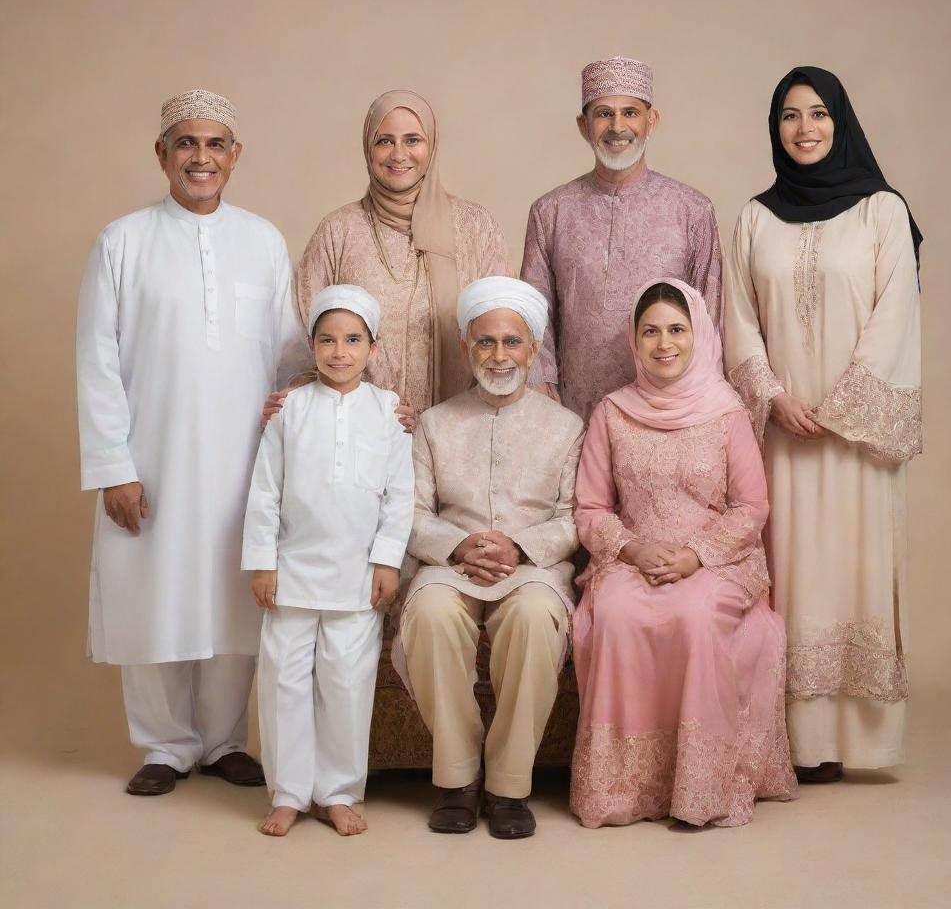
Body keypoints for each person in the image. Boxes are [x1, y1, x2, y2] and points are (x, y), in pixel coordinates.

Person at [76, 89, 306, 796]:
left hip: (243, 457)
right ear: (162, 154)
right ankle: (165, 746)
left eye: (214, 145)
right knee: (155, 590)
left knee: (235, 593)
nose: (200, 158)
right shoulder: (122, 241)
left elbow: (290, 352)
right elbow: (97, 358)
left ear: (233, 156)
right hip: (154, 454)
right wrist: (115, 464)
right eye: (186, 143)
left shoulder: (263, 239)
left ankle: (226, 741)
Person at [724, 66, 923, 782]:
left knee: (854, 567)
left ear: (840, 123)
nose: (803, 128)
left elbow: (897, 313)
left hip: (856, 440)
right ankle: (797, 741)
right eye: (788, 116)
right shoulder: (754, 217)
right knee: (793, 574)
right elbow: (737, 319)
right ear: (774, 129)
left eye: (817, 114)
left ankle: (861, 739)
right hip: (785, 433)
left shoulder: (882, 212)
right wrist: (773, 396)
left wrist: (843, 408)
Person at [571, 279, 797, 828]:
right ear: (634, 341)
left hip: (718, 560)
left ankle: (701, 788)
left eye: (677, 329)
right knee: (618, 615)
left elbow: (751, 507)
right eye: (650, 331)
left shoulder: (727, 413)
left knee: (696, 616)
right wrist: (632, 547)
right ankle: (626, 788)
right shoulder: (612, 411)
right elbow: (590, 508)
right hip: (634, 557)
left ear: (699, 336)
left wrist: (697, 553)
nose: (663, 343)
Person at [393, 277, 584, 839]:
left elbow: (578, 516)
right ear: (465, 348)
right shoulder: (434, 423)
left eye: (512, 342)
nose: (499, 356)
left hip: (533, 568)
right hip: (449, 564)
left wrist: (520, 546)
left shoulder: (565, 426)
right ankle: (458, 781)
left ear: (533, 349)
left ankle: (507, 786)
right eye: (486, 342)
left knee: (531, 619)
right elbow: (409, 510)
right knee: (429, 616)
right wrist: (456, 544)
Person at [243, 285, 414, 837]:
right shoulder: (289, 409)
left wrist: (388, 561)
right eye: (327, 340)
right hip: (291, 570)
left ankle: (338, 790)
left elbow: (400, 495)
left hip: (357, 574)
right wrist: (262, 562)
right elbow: (265, 491)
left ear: (373, 346)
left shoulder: (390, 412)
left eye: (353, 340)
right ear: (312, 345)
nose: (340, 352)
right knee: (284, 679)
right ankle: (289, 792)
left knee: (347, 681)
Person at [276, 90, 508, 432]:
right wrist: (294, 403)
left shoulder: (474, 227)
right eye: (385, 141)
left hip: (459, 432)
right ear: (368, 148)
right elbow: (302, 340)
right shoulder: (337, 231)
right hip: (359, 432)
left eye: (412, 140)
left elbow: (503, 329)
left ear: (431, 146)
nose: (399, 154)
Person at [521, 56, 723, 422]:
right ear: (584, 126)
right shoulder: (550, 211)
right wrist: (540, 385)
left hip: (666, 414)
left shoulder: (692, 210)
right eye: (603, 114)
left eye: (630, 112)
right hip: (572, 413)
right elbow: (535, 313)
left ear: (652, 121)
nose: (617, 127)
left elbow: (711, 321)